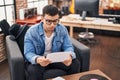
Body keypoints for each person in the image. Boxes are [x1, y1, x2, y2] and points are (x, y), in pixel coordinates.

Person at [24, 5, 80, 80]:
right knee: (33, 70)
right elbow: (28, 53)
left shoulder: (62, 29)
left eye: (55, 21)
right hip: (41, 60)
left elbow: (68, 46)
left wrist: (69, 56)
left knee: (75, 64)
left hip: (56, 59)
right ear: (42, 19)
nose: (52, 25)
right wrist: (38, 59)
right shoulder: (32, 31)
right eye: (49, 21)